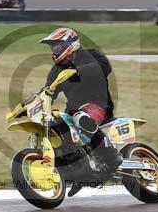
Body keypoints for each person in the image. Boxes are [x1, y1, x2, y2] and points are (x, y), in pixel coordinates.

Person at [40, 28, 121, 196]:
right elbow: (48, 91)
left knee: (80, 117)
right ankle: (79, 171)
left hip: (99, 105)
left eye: (56, 46)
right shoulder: (57, 69)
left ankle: (112, 156)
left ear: (70, 43)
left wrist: (77, 71)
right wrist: (29, 105)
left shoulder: (91, 55)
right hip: (73, 111)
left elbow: (104, 67)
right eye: (52, 48)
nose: (54, 51)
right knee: (56, 126)